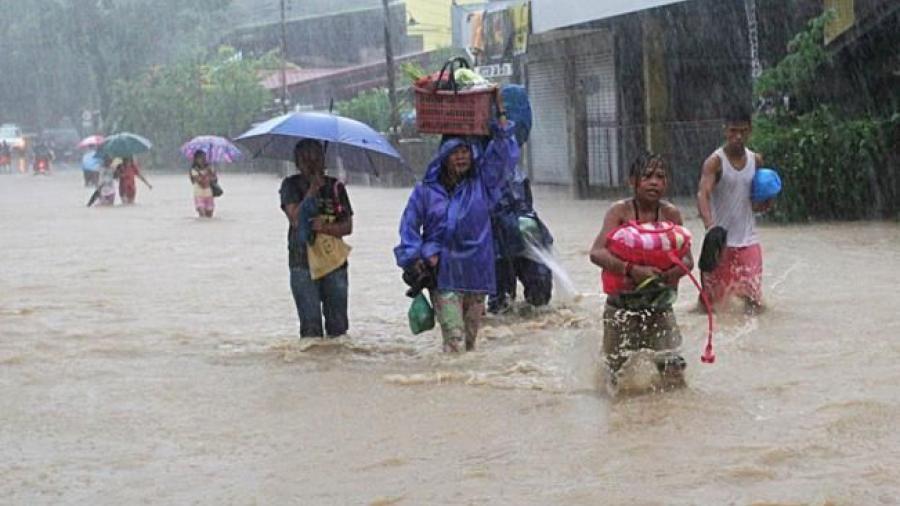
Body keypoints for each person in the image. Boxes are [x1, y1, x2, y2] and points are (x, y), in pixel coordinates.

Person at [394, 116, 519, 353]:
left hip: (476, 273)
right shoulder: (425, 191)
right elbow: (409, 227)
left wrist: (501, 124)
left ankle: (463, 387)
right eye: (455, 152)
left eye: (466, 151)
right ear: (443, 157)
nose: (462, 157)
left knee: (470, 344)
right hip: (443, 273)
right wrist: (417, 256)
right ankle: (450, 385)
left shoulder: (483, 184)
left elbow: (503, 160)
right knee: (455, 340)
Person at [589, 153, 693, 386]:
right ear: (632, 181)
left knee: (674, 372)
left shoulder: (671, 214)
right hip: (622, 308)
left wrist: (670, 274)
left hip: (660, 307)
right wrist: (631, 270)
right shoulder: (619, 212)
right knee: (613, 375)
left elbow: (687, 260)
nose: (654, 182)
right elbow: (596, 252)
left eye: (660, 177)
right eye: (647, 177)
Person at [696, 107, 771, 313]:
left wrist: (766, 203)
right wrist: (710, 227)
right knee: (711, 305)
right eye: (733, 131)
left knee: (754, 303)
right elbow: (703, 194)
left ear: (750, 131)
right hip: (720, 243)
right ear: (725, 131)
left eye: (743, 131)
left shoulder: (756, 160)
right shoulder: (715, 162)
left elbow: (755, 203)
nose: (738, 136)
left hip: (749, 242)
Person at [280, 139, 354, 338]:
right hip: (302, 263)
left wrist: (326, 227)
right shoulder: (290, 185)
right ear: (297, 163)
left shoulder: (336, 187)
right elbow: (295, 219)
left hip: (334, 263)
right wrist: (312, 191)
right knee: (310, 327)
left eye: (316, 157)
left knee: (338, 327)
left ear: (324, 160)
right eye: (306, 159)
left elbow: (347, 227)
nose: (311, 163)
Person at [487, 166, 554, 314]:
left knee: (540, 291)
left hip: (526, 233)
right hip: (496, 240)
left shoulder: (517, 174)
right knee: (501, 300)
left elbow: (527, 203)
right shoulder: (477, 175)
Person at [189, 150, 216, 218]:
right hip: (199, 195)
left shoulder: (209, 168)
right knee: (202, 216)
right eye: (200, 158)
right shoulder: (194, 170)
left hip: (209, 195)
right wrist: (207, 173)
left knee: (209, 217)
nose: (202, 159)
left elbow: (214, 180)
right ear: (196, 159)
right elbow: (202, 183)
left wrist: (212, 173)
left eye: (204, 157)